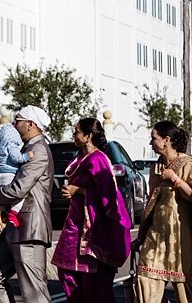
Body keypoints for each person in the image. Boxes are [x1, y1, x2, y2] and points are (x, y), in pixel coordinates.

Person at [51, 118, 131, 303]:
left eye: (77, 131)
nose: (73, 135)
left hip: (93, 230)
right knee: (68, 272)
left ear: (88, 136)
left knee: (95, 284)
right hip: (75, 226)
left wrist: (77, 190)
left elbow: (108, 196)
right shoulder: (81, 158)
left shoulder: (99, 159)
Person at [0, 105, 54, 303]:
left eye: (18, 120)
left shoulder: (37, 150)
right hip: (15, 227)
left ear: (30, 124)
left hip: (30, 227)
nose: (15, 124)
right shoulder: (24, 148)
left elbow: (19, 188)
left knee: (33, 291)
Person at [132, 121, 192, 302]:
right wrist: (140, 237)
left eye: (153, 138)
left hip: (181, 238)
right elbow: (152, 205)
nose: (150, 143)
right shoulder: (156, 168)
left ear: (166, 140)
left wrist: (175, 179)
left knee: (183, 287)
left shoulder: (187, 164)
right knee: (144, 277)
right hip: (156, 236)